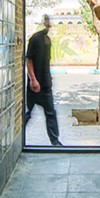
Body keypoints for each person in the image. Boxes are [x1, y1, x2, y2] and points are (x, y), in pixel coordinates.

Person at [25, 14, 63, 146]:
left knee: (50, 112)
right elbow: (28, 59)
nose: (48, 27)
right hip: (35, 85)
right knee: (26, 113)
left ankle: (55, 141)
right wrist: (33, 80)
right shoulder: (35, 39)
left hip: (46, 84)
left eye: (49, 25)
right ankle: (14, 139)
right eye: (46, 24)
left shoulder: (47, 40)